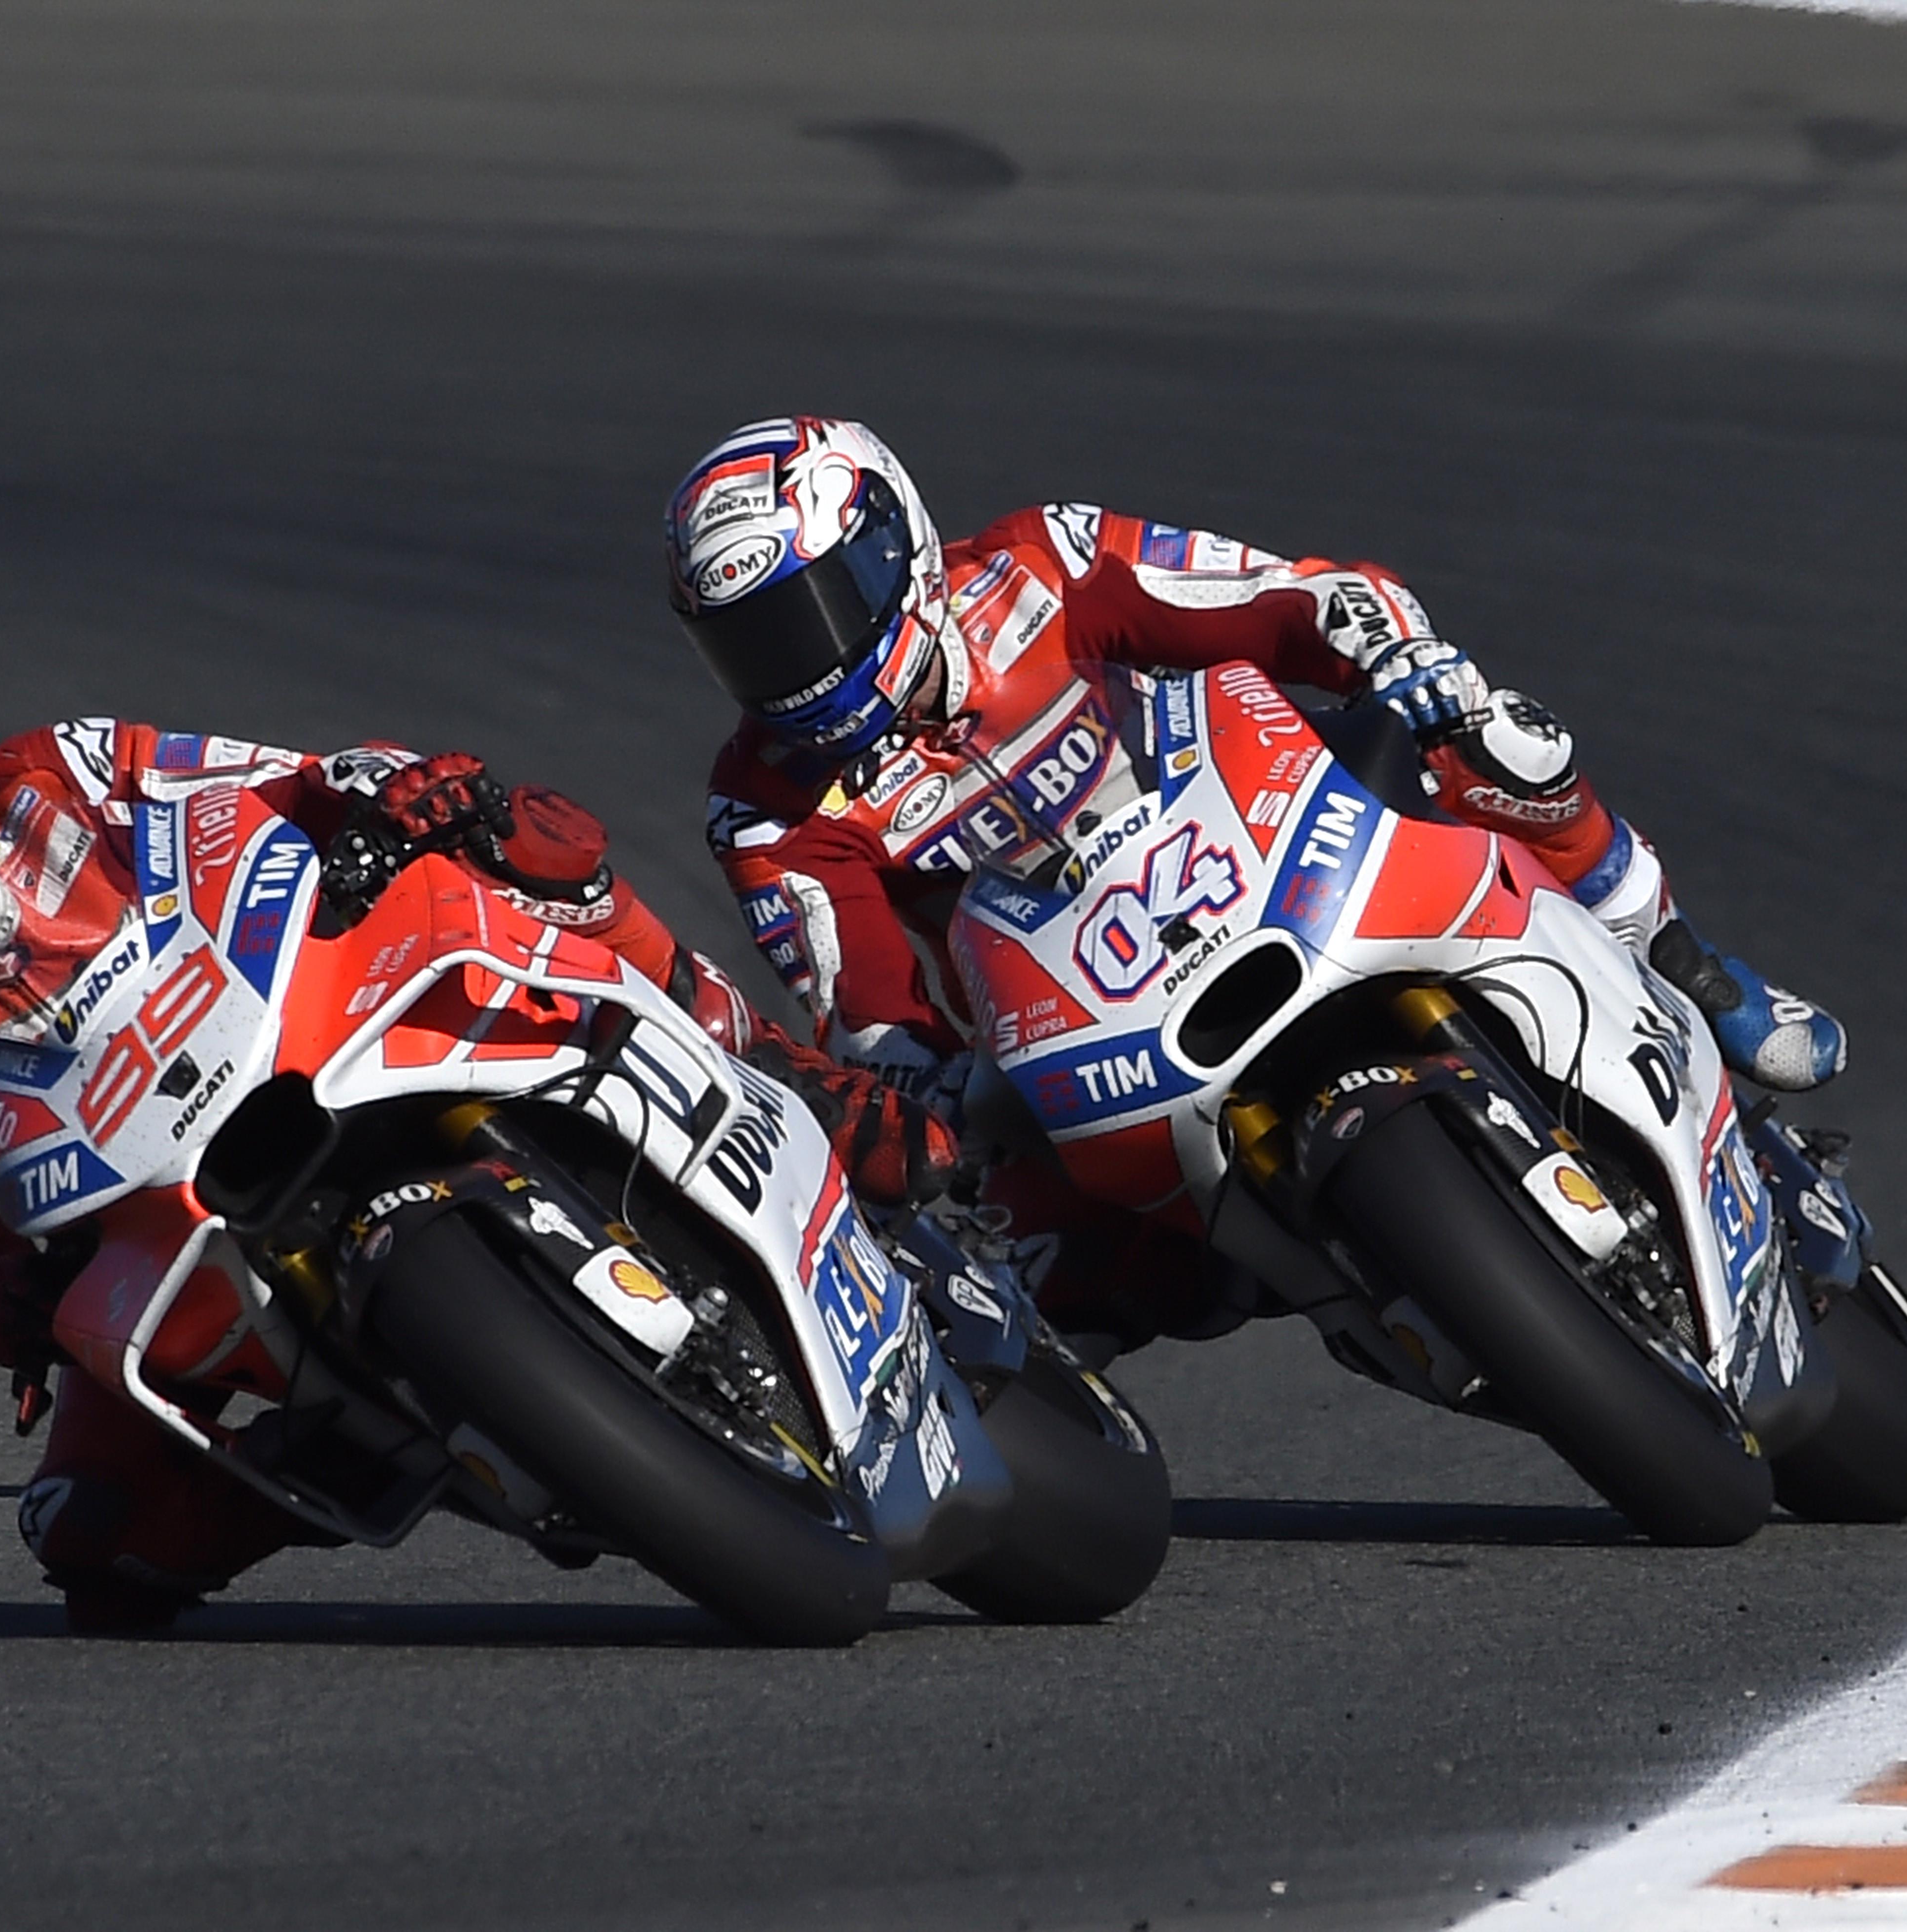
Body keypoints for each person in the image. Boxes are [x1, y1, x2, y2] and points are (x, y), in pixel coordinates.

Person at [0, 605, 945, 1632]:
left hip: (301, 1015)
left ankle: (777, 1063)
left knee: (526, 844)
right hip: (161, 1213)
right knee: (93, 1539)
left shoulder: (61, 769)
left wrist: (398, 797)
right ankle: (426, 1430)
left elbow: (282, 785)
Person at [668, 415, 1845, 1347]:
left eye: (810, 614)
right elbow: (867, 1010)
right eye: (755, 642)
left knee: (1492, 736)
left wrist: (1381, 644)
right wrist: (934, 1100)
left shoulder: (1040, 565)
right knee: (1029, 1262)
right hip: (1097, 1019)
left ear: (892, 549)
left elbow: (1277, 597)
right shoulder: (764, 806)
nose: (796, 667)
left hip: (1282, 832)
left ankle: (1679, 959)